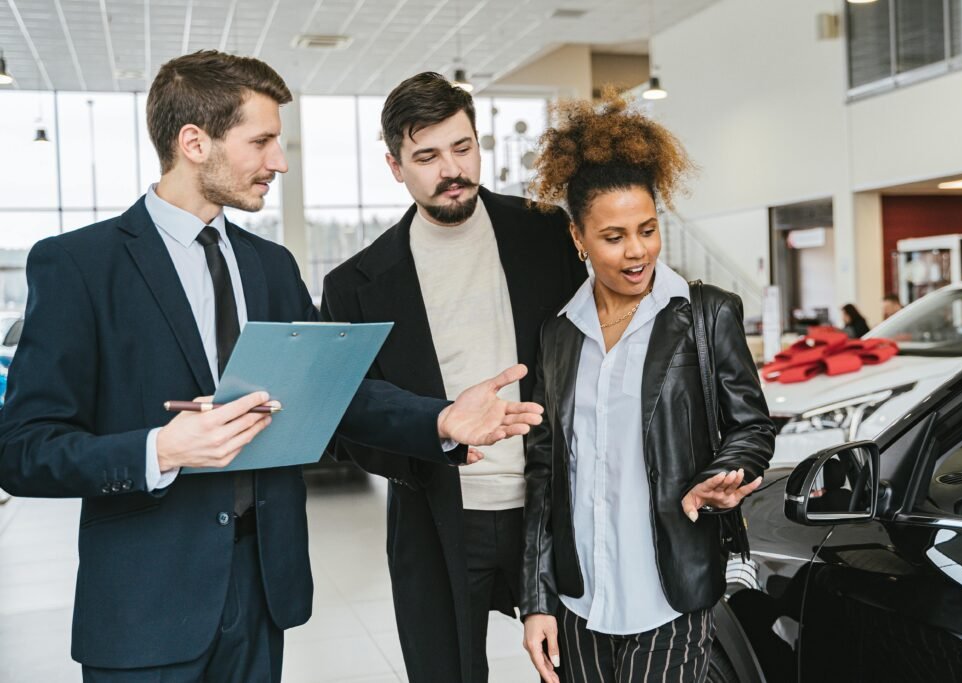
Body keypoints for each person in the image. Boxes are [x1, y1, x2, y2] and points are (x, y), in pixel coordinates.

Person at [0, 51, 545, 683]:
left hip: (263, 591)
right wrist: (160, 450)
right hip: (145, 605)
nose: (279, 162)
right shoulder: (79, 266)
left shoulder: (271, 266)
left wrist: (443, 419)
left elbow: (342, 394)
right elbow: (22, 449)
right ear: (194, 142)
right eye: (261, 142)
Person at [321, 72, 587, 683]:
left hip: (556, 511)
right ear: (395, 166)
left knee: (582, 671)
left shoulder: (549, 234)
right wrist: (439, 431)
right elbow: (346, 419)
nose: (452, 169)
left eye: (462, 147)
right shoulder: (356, 285)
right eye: (427, 156)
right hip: (436, 518)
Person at [519, 94, 775, 683]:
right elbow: (544, 472)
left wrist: (726, 474)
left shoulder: (707, 315)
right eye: (613, 237)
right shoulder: (558, 335)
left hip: (672, 591)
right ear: (578, 237)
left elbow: (751, 427)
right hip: (579, 598)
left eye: (648, 230)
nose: (637, 252)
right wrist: (537, 599)